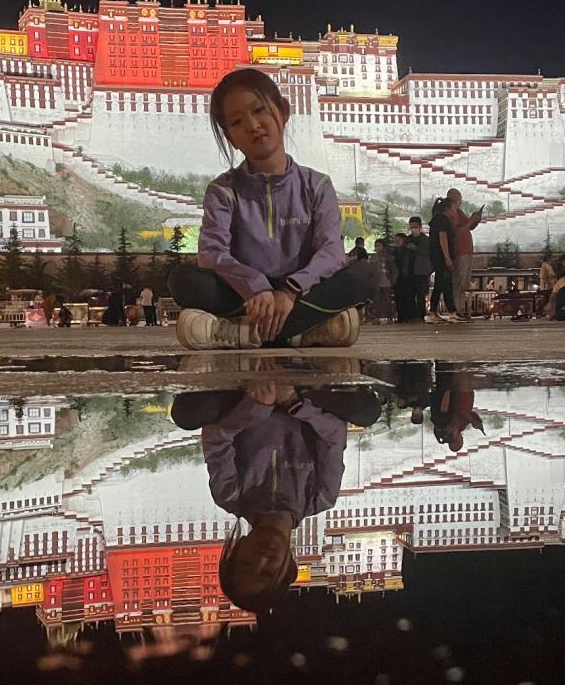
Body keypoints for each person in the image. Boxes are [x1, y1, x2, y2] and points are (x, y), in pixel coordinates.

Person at [167, 68, 376, 349]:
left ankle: (242, 334)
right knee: (184, 280)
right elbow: (211, 254)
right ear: (231, 137)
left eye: (259, 110)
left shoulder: (316, 185)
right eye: (238, 122)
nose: (253, 125)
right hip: (246, 295)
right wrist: (255, 285)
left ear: (283, 111)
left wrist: (290, 290)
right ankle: (304, 331)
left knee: (366, 275)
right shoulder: (223, 190)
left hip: (300, 291)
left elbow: (331, 252)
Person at [172, 381, 379, 614]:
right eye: (268, 572)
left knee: (186, 414)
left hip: (244, 399)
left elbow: (216, 439)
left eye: (247, 563)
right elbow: (334, 435)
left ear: (237, 549)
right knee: (368, 412)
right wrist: (294, 402)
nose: (262, 559)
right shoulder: (320, 497)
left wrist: (256, 406)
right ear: (289, 567)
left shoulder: (230, 495)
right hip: (303, 401)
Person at [426, 194, 462, 322]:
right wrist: (447, 257)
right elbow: (443, 237)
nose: (455, 210)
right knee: (441, 283)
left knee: (445, 284)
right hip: (441, 257)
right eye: (454, 208)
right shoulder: (442, 219)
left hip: (438, 257)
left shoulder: (438, 219)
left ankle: (451, 311)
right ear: (448, 208)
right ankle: (434, 312)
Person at [449, 189, 483, 320]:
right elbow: (456, 232)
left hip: (467, 252)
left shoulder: (459, 212)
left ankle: (460, 309)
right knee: (459, 281)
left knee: (464, 283)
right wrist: (470, 222)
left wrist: (475, 220)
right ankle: (456, 310)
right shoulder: (450, 214)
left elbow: (469, 227)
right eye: (459, 199)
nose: (461, 202)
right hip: (460, 252)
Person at [405, 217, 434, 321]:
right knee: (410, 294)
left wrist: (416, 249)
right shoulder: (407, 239)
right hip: (409, 271)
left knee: (420, 295)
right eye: (411, 227)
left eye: (415, 227)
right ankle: (412, 315)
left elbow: (428, 254)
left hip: (421, 271)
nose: (413, 229)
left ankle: (421, 315)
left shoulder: (426, 240)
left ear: (420, 226)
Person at [370, 238, 396, 323]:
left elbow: (393, 269)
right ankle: (376, 317)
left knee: (387, 299)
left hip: (386, 280)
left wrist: (392, 279)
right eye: (376, 246)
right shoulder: (373, 257)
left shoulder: (389, 257)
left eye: (379, 245)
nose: (377, 247)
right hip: (376, 280)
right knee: (376, 299)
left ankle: (389, 317)